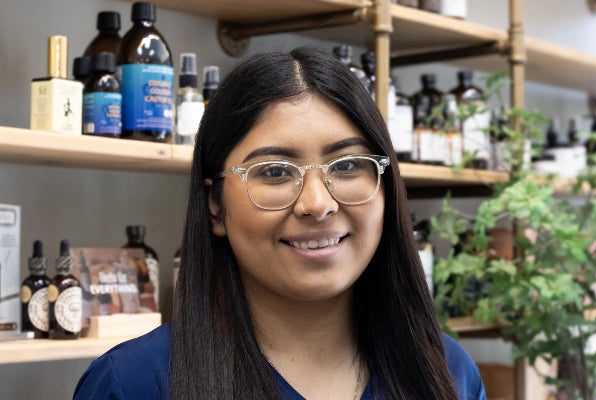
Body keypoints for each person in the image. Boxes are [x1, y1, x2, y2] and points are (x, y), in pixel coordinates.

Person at [74, 47, 486, 400]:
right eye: (274, 172)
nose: (317, 204)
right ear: (215, 205)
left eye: (346, 165)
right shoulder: (132, 384)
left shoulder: (448, 373)